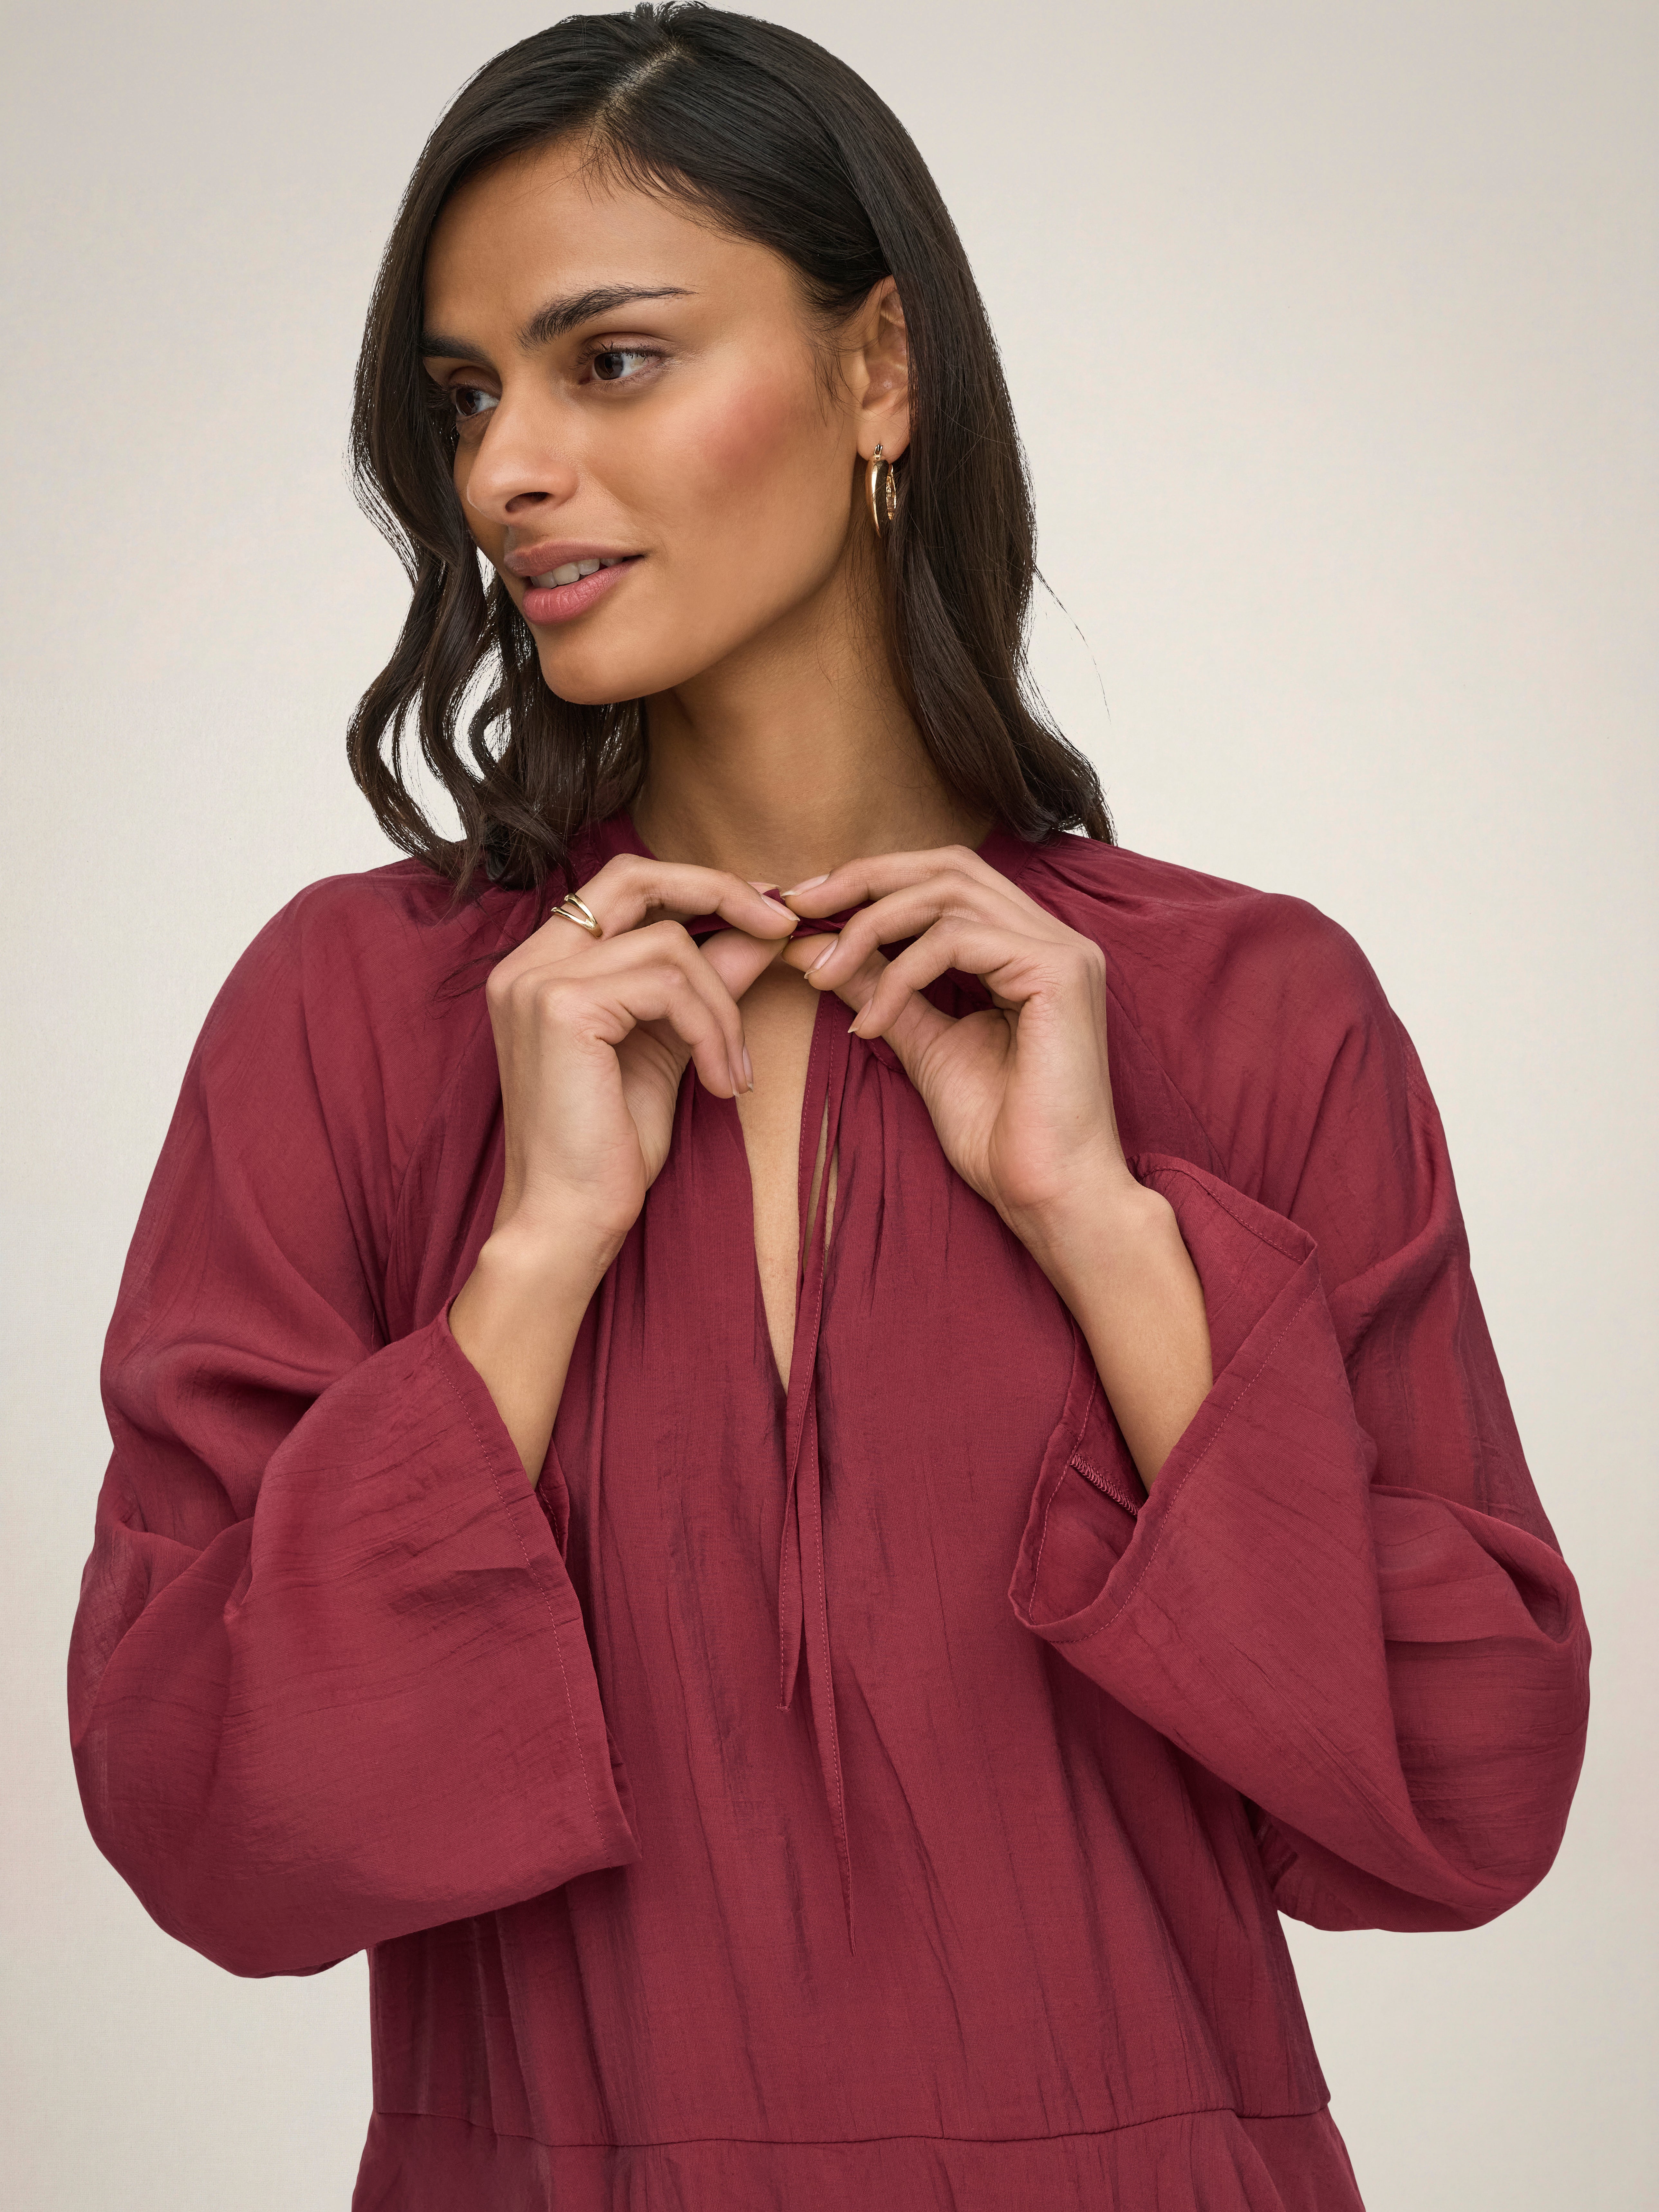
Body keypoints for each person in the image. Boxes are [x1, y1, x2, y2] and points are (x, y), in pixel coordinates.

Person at [68, 7, 1591, 2207]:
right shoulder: (357, 1016)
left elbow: (1465, 1799)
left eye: (610, 363)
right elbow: (215, 1832)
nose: (502, 474)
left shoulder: (1253, 1012)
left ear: (880, 368)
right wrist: (533, 1263)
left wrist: (1104, 1232)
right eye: (467, 397)